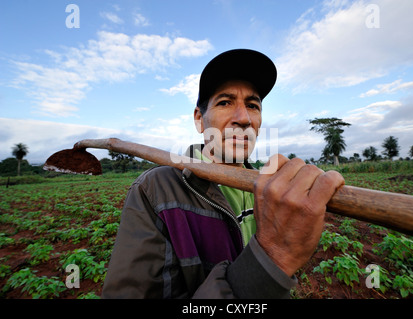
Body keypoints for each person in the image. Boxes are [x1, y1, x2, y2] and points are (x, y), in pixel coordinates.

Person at [101, 49, 345, 299]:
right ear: (199, 119)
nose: (243, 119)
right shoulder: (155, 191)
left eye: (252, 105)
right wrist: (271, 258)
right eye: (225, 102)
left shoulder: (270, 189)